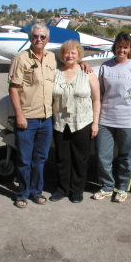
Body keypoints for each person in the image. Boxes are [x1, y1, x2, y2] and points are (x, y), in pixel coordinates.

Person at [92, 32, 131, 203]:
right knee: (103, 156)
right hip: (106, 119)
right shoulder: (105, 67)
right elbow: (98, 94)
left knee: (126, 157)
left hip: (127, 121)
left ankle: (122, 188)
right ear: (114, 47)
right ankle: (107, 186)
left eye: (125, 47)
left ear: (130, 48)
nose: (122, 50)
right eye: (119, 46)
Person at [8, 24, 55, 208]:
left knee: (40, 159)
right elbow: (13, 89)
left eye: (43, 37)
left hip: (47, 118)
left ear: (47, 39)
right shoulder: (21, 59)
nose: (39, 40)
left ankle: (36, 191)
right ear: (30, 37)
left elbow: (71, 60)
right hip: (27, 118)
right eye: (36, 36)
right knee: (24, 160)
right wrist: (19, 115)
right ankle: (22, 193)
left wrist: (82, 63)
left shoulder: (52, 57)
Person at [50, 40, 100, 203]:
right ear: (62, 55)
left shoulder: (88, 73)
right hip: (60, 122)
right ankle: (62, 189)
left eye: (73, 53)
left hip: (82, 122)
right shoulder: (56, 73)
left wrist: (95, 123)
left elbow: (96, 99)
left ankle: (77, 190)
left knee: (80, 159)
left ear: (79, 55)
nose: (69, 55)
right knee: (62, 158)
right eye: (66, 52)